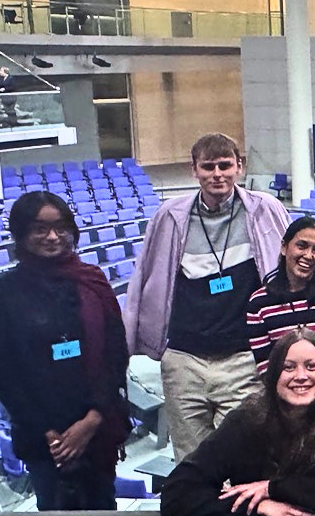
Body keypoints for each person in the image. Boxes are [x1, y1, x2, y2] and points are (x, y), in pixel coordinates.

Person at [123, 133, 290, 462]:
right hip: (184, 361)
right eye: (208, 166)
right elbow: (145, 277)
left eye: (225, 165)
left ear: (239, 167)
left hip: (244, 358)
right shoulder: (169, 216)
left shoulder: (265, 210)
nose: (217, 174)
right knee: (191, 463)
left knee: (246, 459)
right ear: (194, 170)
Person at [0, 192, 131, 510]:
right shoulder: (3, 293)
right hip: (43, 439)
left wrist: (92, 420)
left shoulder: (92, 281)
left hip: (97, 430)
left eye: (61, 228)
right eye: (40, 229)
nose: (52, 237)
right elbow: (0, 371)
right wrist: (50, 433)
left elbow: (116, 353)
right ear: (21, 233)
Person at [160, 328, 315, 516]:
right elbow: (177, 496)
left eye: (311, 366)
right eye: (288, 367)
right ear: (273, 376)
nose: (300, 376)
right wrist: (255, 507)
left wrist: (273, 489)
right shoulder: (245, 423)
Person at [246, 216, 315, 383]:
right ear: (284, 247)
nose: (308, 255)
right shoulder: (259, 303)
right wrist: (294, 391)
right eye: (301, 246)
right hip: (284, 392)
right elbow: (265, 365)